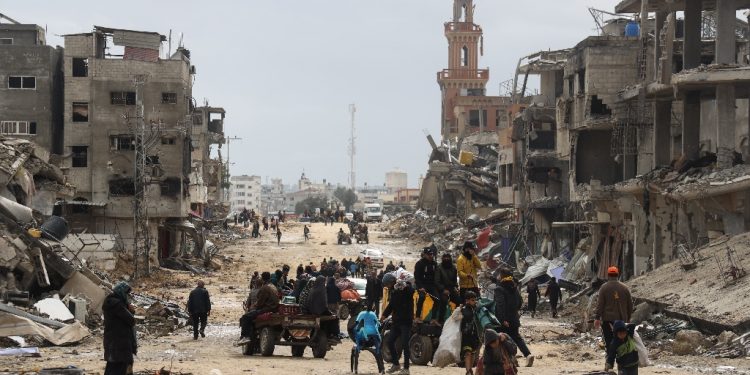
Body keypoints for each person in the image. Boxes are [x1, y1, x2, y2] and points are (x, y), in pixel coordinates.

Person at [494, 274, 534, 367]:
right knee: (517, 338)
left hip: (504, 319)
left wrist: (503, 319)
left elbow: (500, 305)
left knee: (502, 339)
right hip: (514, 318)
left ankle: (511, 359)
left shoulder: (499, 289)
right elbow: (520, 302)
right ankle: (528, 355)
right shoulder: (514, 289)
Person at [381, 273, 413, 374]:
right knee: (389, 341)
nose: (387, 287)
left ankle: (406, 368)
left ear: (392, 282)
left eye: (388, 284)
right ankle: (396, 364)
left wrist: (406, 286)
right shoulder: (393, 292)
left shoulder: (405, 289)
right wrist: (384, 315)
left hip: (406, 322)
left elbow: (412, 291)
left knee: (405, 344)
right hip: (396, 322)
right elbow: (391, 305)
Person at [594, 266, 633, 349]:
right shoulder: (625, 288)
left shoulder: (604, 288)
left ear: (608, 275)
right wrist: (629, 317)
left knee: (609, 341)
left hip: (607, 320)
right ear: (617, 275)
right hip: (622, 320)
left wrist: (597, 318)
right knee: (621, 340)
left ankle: (610, 359)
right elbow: (630, 305)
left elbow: (600, 304)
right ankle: (622, 358)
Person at [103, 282, 137, 375]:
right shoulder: (117, 305)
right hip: (120, 342)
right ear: (121, 292)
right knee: (121, 368)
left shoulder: (110, 302)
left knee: (112, 367)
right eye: (126, 293)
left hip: (113, 341)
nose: (127, 296)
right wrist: (131, 310)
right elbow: (131, 320)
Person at [238, 272, 279, 344]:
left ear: (262, 279)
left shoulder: (264, 288)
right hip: (274, 308)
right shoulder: (273, 286)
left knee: (246, 317)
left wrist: (253, 307)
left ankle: (245, 336)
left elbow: (260, 303)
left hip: (267, 309)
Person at [435, 252, 459, 324]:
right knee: (444, 300)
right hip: (441, 290)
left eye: (448, 257)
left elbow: (455, 280)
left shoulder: (453, 268)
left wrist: (455, 287)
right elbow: (437, 281)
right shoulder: (439, 268)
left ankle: (455, 318)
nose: (446, 259)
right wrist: (443, 289)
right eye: (445, 257)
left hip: (451, 289)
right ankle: (441, 320)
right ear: (442, 259)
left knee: (459, 300)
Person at [461, 291, 480, 375]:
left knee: (473, 353)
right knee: (468, 353)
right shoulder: (462, 310)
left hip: (476, 335)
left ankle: (470, 370)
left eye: (475, 300)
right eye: (472, 300)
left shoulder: (478, 309)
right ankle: (468, 371)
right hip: (466, 335)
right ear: (467, 300)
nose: (474, 301)